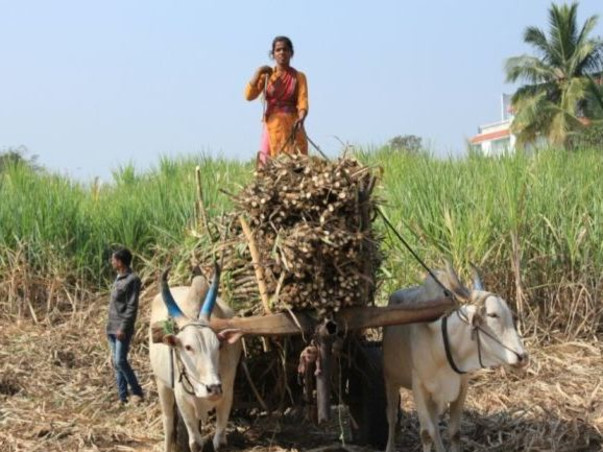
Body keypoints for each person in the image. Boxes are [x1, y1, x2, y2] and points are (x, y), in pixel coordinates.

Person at [245, 36, 309, 166]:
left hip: (292, 125)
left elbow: (303, 101)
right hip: (272, 125)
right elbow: (249, 96)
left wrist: (301, 118)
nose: (282, 53)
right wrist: (258, 73)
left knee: (295, 162)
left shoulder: (299, 77)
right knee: (266, 161)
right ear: (273, 54)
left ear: (291, 53)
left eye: (285, 50)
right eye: (278, 50)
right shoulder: (267, 76)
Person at [106, 247, 144, 406]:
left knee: (120, 361)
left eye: (114, 259)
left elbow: (131, 306)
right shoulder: (118, 278)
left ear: (120, 262)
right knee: (116, 363)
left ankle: (136, 392)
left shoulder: (132, 279)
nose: (112, 262)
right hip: (111, 327)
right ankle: (122, 397)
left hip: (121, 328)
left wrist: (123, 327)